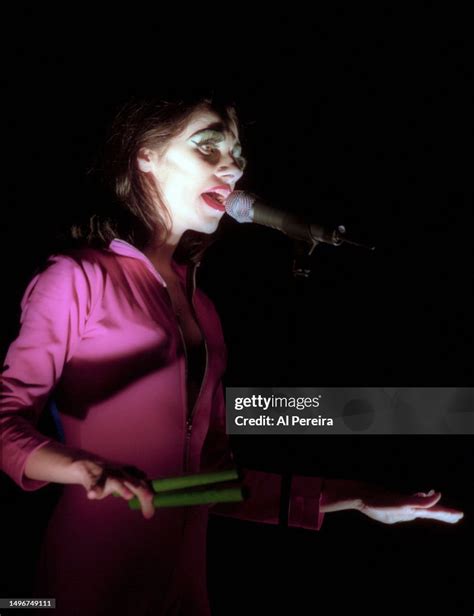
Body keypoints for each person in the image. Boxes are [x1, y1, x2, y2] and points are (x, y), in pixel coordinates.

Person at [0, 95, 464, 616]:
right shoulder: (76, 278)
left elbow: (214, 482)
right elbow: (4, 425)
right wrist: (82, 466)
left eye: (238, 153)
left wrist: (355, 496)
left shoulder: (204, 309)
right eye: (209, 146)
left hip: (185, 597)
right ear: (145, 155)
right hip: (85, 586)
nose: (234, 165)